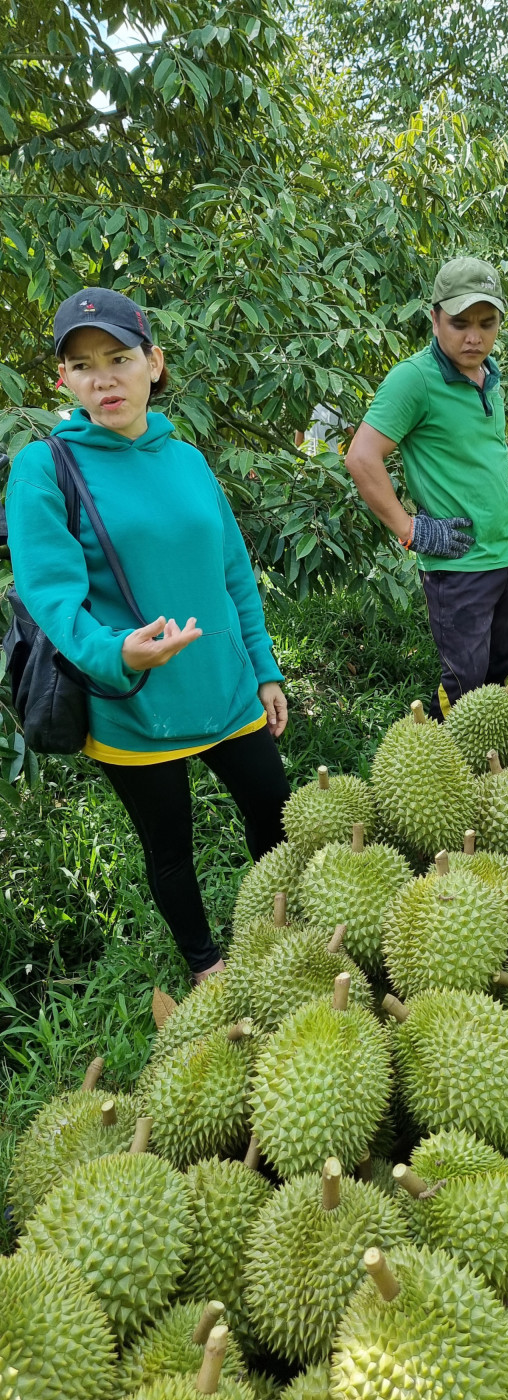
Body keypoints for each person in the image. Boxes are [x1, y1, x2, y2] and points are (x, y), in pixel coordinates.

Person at [5, 288, 290, 982]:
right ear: (63, 381)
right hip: (131, 698)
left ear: (154, 364)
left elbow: (233, 576)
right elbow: (52, 598)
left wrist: (265, 667)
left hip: (224, 687)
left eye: (119, 358)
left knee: (277, 815)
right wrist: (116, 652)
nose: (104, 378)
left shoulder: (187, 460)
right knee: (169, 846)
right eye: (83, 365)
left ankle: (293, 928)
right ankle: (204, 963)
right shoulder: (46, 468)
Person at [345, 256, 508, 719]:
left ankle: (491, 756)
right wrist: (409, 529)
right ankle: (450, 763)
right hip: (457, 567)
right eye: (460, 323)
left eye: (487, 323)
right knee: (465, 681)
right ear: (434, 317)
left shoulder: (490, 373)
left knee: (501, 664)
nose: (474, 336)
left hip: (504, 555)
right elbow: (361, 458)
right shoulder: (415, 379)